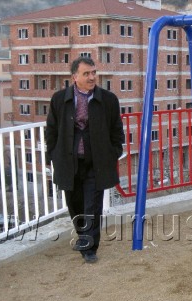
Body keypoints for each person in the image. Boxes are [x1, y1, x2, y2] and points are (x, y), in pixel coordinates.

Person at [46, 57, 125, 263]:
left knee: (93, 205)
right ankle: (83, 238)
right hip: (68, 160)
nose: (92, 77)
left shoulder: (108, 99)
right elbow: (52, 131)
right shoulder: (59, 99)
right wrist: (52, 155)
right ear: (74, 77)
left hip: (97, 161)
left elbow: (117, 129)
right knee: (75, 203)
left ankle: (90, 247)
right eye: (86, 74)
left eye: (93, 73)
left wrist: (113, 151)